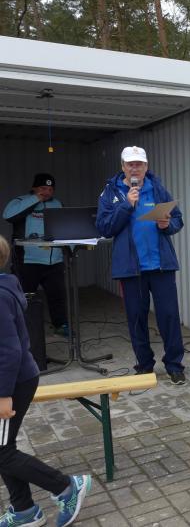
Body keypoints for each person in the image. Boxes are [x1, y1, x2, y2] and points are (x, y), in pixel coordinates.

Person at [0, 235, 91, 527]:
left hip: (12, 384)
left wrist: (3, 395)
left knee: (2, 452)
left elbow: (9, 351)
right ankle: (24, 510)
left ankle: (66, 486)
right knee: (3, 448)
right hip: (13, 380)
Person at [95, 146, 187, 385]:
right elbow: (104, 227)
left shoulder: (157, 188)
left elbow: (177, 219)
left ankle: (175, 365)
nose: (135, 168)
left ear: (146, 166)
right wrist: (126, 204)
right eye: (130, 164)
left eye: (139, 164)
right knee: (137, 319)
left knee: (169, 316)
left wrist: (168, 225)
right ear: (123, 166)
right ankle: (144, 366)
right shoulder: (111, 192)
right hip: (130, 269)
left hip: (161, 266)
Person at [3, 173, 69, 337]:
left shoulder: (57, 203)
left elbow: (66, 227)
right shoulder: (20, 201)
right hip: (27, 261)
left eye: (50, 189)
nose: (47, 192)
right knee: (24, 297)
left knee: (57, 296)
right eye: (43, 188)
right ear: (34, 188)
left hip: (54, 261)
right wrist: (36, 199)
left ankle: (60, 325)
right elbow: (8, 216)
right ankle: (21, 329)